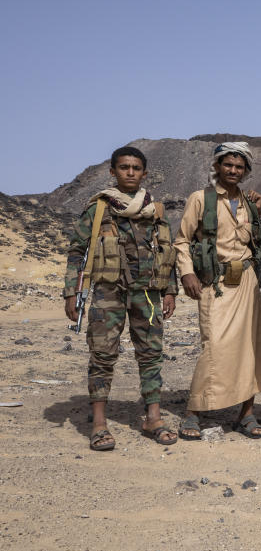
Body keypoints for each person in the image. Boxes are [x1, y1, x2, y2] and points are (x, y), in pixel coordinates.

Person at [63, 146, 178, 450]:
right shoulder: (99, 208)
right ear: (112, 172)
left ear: (144, 173)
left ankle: (153, 416)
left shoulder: (154, 210)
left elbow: (167, 250)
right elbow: (77, 251)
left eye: (136, 168)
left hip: (148, 293)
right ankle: (99, 424)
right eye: (124, 167)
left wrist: (169, 290)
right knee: (102, 355)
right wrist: (71, 293)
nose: (130, 172)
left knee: (151, 355)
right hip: (108, 292)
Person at [174, 142, 261, 440]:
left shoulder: (250, 202)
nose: (233, 171)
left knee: (251, 346)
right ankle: (194, 411)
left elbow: (252, 242)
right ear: (217, 166)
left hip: (246, 281)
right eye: (228, 165)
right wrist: (186, 273)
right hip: (215, 283)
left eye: (239, 166)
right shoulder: (201, 199)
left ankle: (247, 412)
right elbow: (182, 240)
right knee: (215, 345)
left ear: (246, 170)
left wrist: (257, 211)